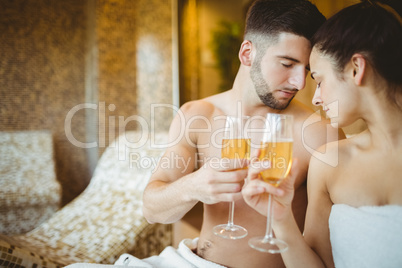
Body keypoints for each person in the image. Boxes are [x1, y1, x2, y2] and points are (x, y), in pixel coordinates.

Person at [139, 0, 342, 267]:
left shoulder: (318, 135)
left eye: (305, 70)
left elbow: (328, 256)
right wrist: (194, 186)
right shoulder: (197, 115)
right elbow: (152, 210)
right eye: (286, 63)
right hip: (189, 260)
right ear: (247, 53)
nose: (299, 83)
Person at [242, 1, 402, 267]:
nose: (315, 97)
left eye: (318, 79)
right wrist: (281, 219)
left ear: (355, 69)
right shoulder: (329, 162)